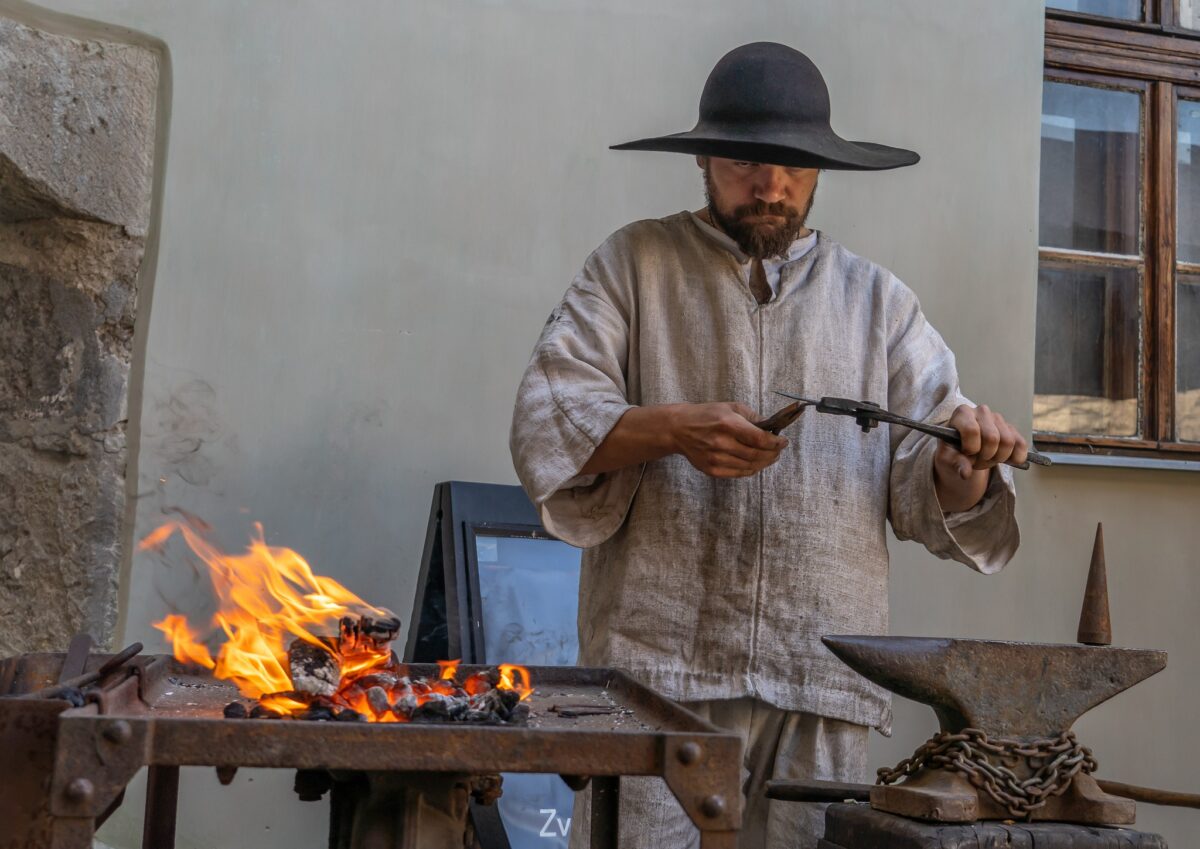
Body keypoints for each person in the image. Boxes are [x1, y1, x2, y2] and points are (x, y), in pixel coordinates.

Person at [509, 42, 1023, 849]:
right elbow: (550, 417)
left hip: (821, 676)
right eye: (747, 160)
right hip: (660, 674)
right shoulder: (633, 265)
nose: (769, 185)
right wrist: (675, 428)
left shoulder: (878, 303)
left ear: (821, 169)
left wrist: (962, 471)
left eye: (792, 164)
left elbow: (936, 484)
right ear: (706, 158)